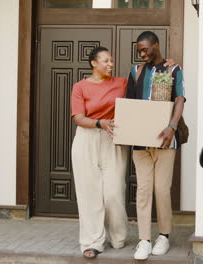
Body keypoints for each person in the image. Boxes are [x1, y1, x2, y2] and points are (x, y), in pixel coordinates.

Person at [125, 31, 185, 260]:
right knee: (143, 191)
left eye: (145, 49)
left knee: (161, 190)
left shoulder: (173, 70)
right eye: (139, 50)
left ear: (156, 46)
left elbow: (179, 99)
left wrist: (172, 126)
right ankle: (143, 240)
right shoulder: (135, 71)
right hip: (140, 142)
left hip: (165, 141)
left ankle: (164, 236)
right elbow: (128, 104)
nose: (142, 54)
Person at [70, 46, 129, 259]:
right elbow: (78, 117)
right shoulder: (80, 87)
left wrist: (166, 65)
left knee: (113, 192)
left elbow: (145, 77)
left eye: (111, 61)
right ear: (94, 63)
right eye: (106, 61)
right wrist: (99, 123)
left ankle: (118, 236)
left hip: (113, 138)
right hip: (87, 137)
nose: (110, 64)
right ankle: (93, 241)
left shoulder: (121, 83)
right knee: (89, 193)